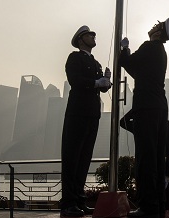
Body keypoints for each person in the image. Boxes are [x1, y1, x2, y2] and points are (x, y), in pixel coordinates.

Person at [119, 18, 169, 218]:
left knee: (146, 158)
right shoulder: (160, 51)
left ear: (158, 33)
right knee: (157, 158)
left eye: (155, 26)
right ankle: (158, 207)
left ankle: (147, 207)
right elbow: (137, 71)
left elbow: (128, 63)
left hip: (146, 107)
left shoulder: (149, 46)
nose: (152, 28)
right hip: (159, 107)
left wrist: (125, 49)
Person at [61, 26, 112, 217]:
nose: (93, 36)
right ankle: (68, 203)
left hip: (93, 113)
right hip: (77, 112)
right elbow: (75, 80)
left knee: (84, 159)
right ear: (81, 39)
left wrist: (105, 80)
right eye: (90, 35)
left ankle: (79, 200)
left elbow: (102, 87)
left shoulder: (96, 62)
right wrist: (96, 82)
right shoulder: (75, 58)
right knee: (72, 158)